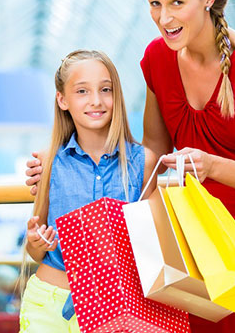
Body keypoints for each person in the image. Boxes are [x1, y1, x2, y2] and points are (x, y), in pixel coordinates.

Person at [26, 0, 235, 332]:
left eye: (176, 2)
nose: (163, 17)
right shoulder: (158, 58)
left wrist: (213, 166)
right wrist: (56, 163)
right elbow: (152, 150)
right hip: (185, 239)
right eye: (154, 3)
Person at [19, 50, 157, 333]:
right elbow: (34, 251)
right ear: (62, 100)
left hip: (118, 308)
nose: (96, 100)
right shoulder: (48, 162)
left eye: (105, 89)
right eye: (82, 91)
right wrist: (36, 241)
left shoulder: (144, 163)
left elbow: (152, 248)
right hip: (49, 305)